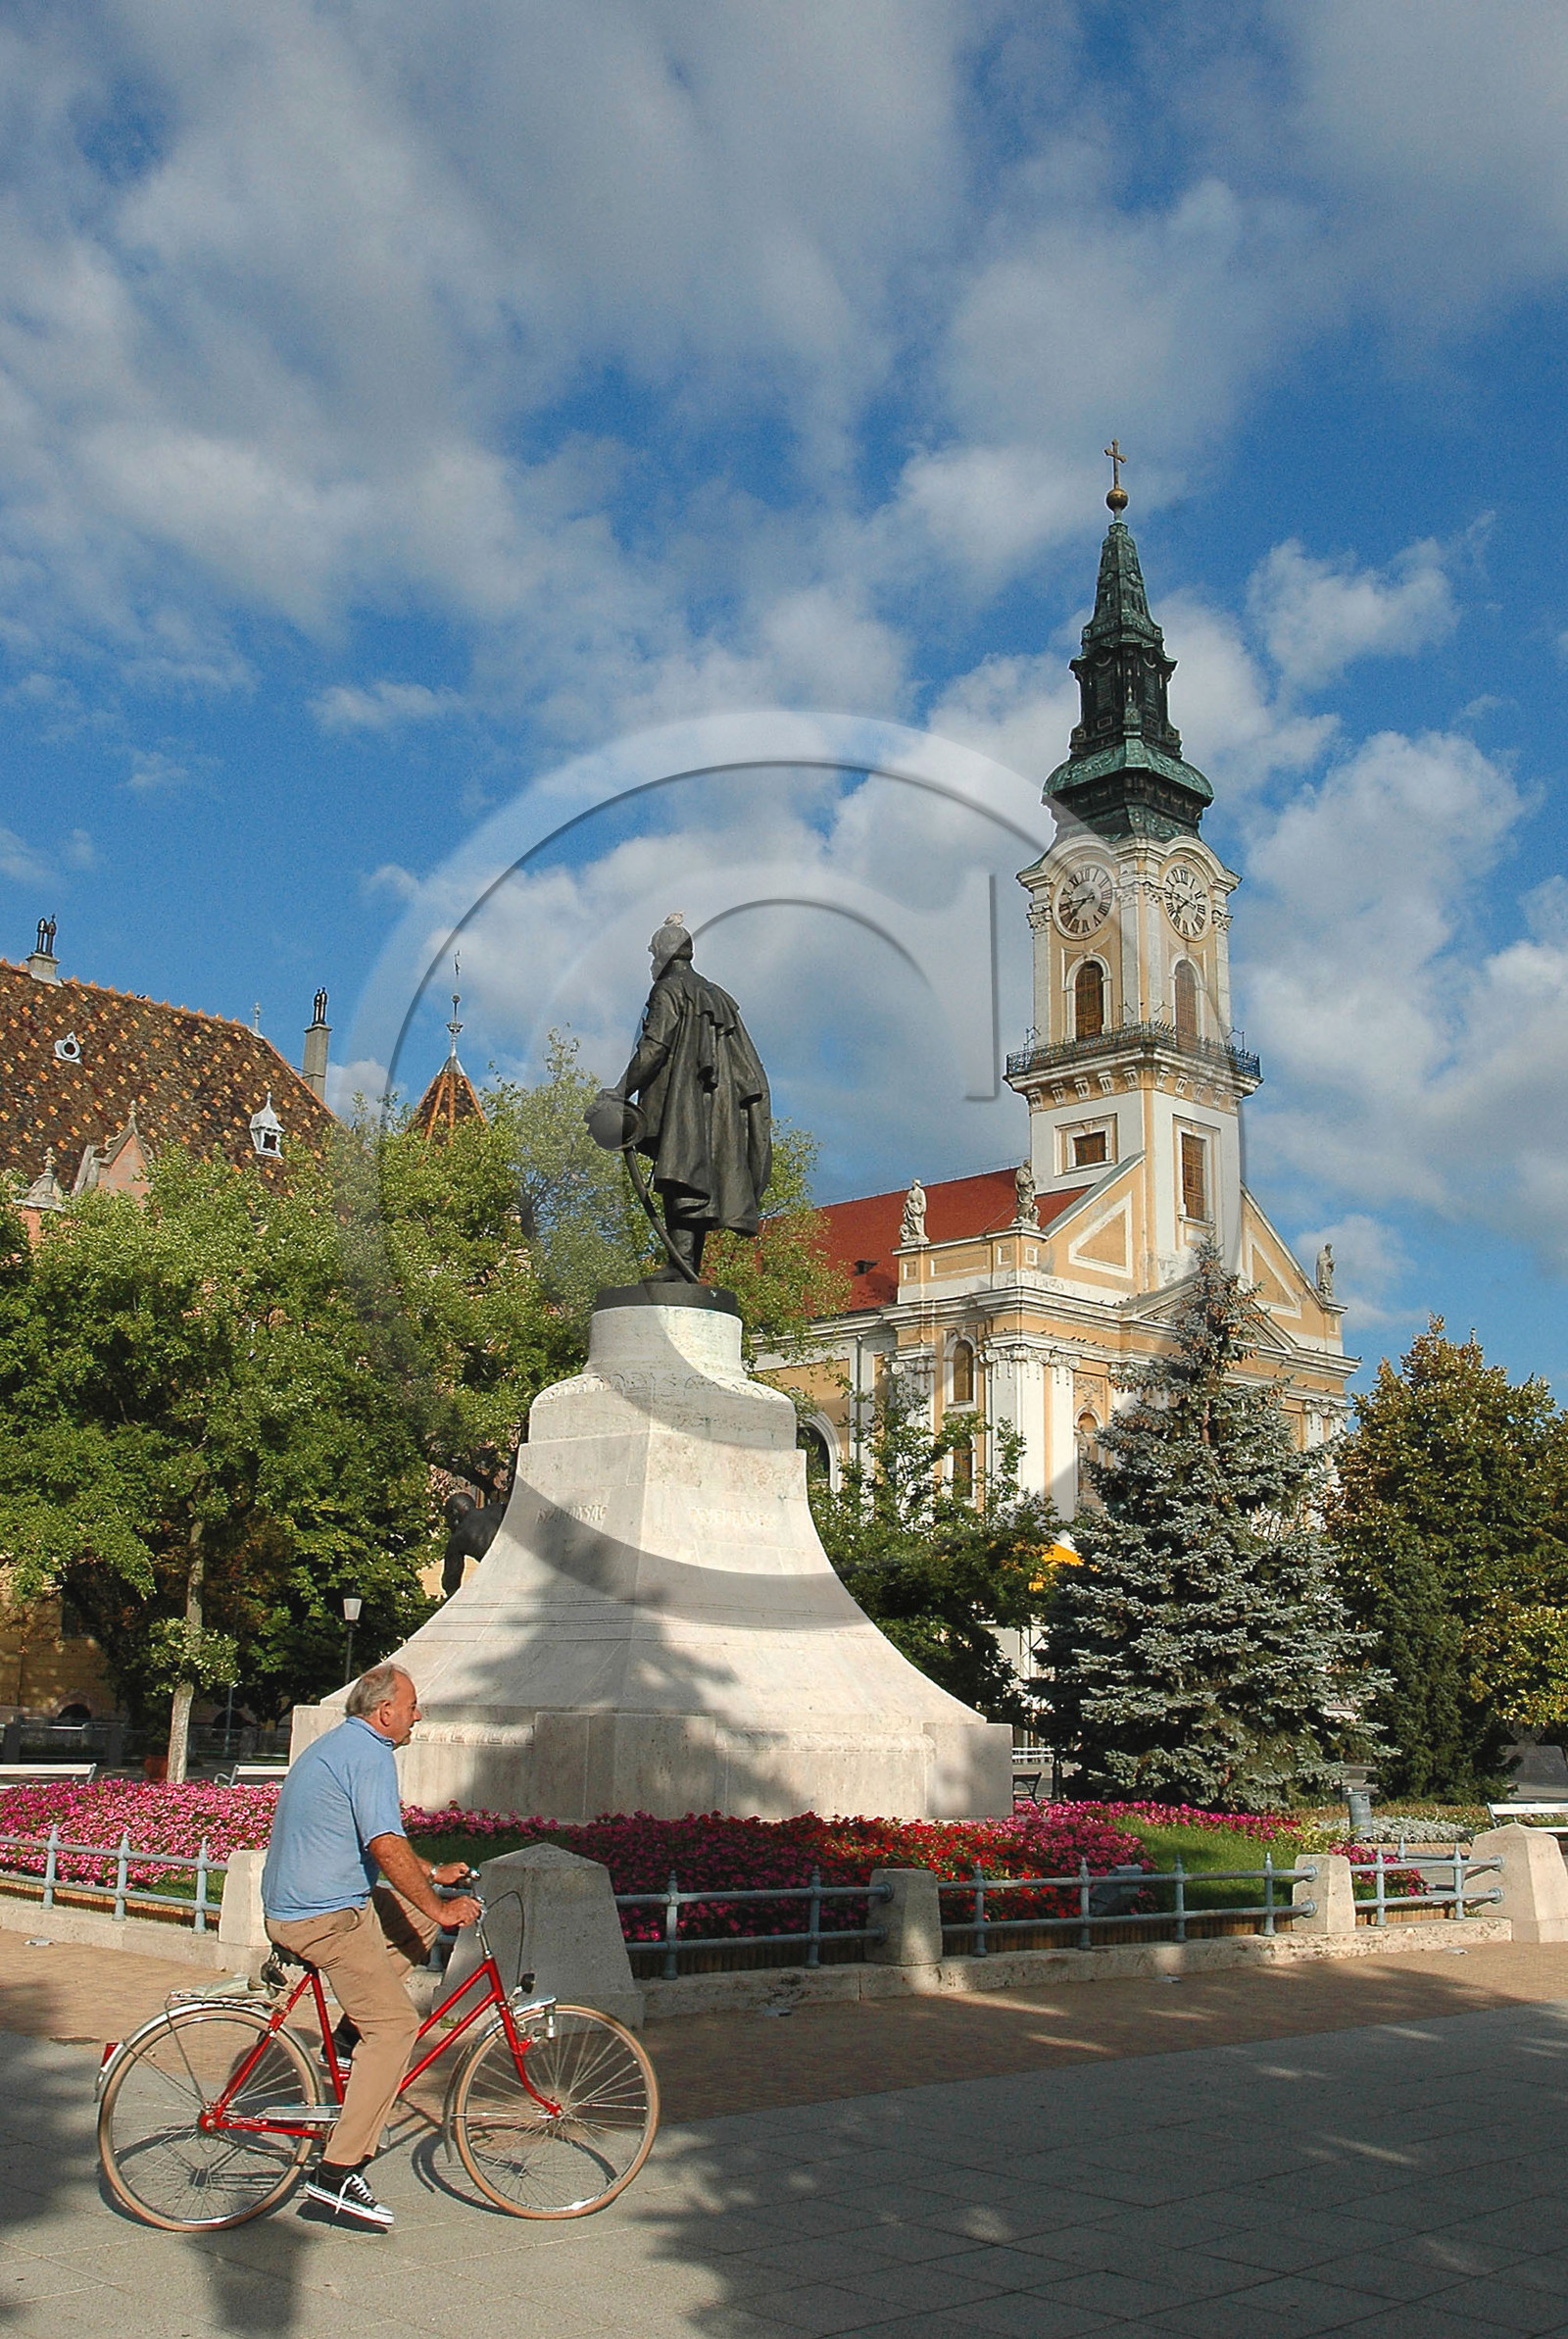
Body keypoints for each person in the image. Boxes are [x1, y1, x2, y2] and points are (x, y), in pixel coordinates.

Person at [261, 1664, 481, 2229]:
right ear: (385, 1713)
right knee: (398, 2028)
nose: (418, 1714)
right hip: (325, 1918)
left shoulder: (343, 1744)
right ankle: (334, 2177)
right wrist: (442, 1905)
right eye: (412, 1705)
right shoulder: (371, 1756)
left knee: (413, 1919)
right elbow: (384, 1844)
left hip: (319, 1903)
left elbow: (379, 1843)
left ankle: (343, 2042)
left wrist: (434, 1876)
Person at [594, 912, 771, 1282]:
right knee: (694, 1181)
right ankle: (686, 1263)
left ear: (662, 955)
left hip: (685, 1103)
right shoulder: (717, 994)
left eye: (652, 956)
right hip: (718, 1107)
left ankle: (683, 1264)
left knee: (681, 1175)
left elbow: (655, 1045)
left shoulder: (668, 989)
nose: (651, 964)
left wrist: (620, 1089)